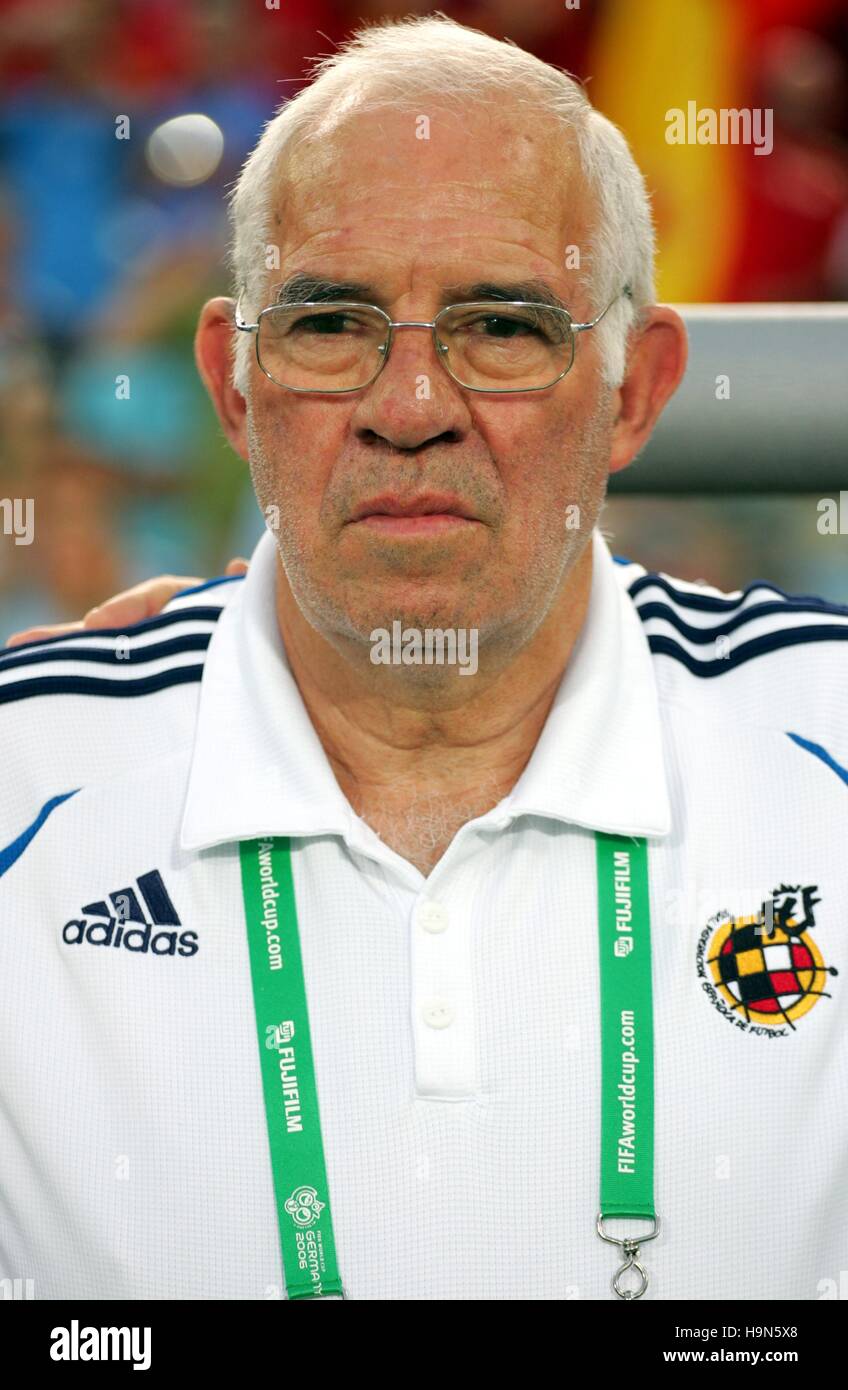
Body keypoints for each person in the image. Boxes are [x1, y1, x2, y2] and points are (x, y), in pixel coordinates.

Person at [1, 14, 846, 1303]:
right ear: (235, 390)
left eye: (504, 328)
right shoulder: (26, 782)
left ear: (634, 391)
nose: (410, 408)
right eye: (331, 325)